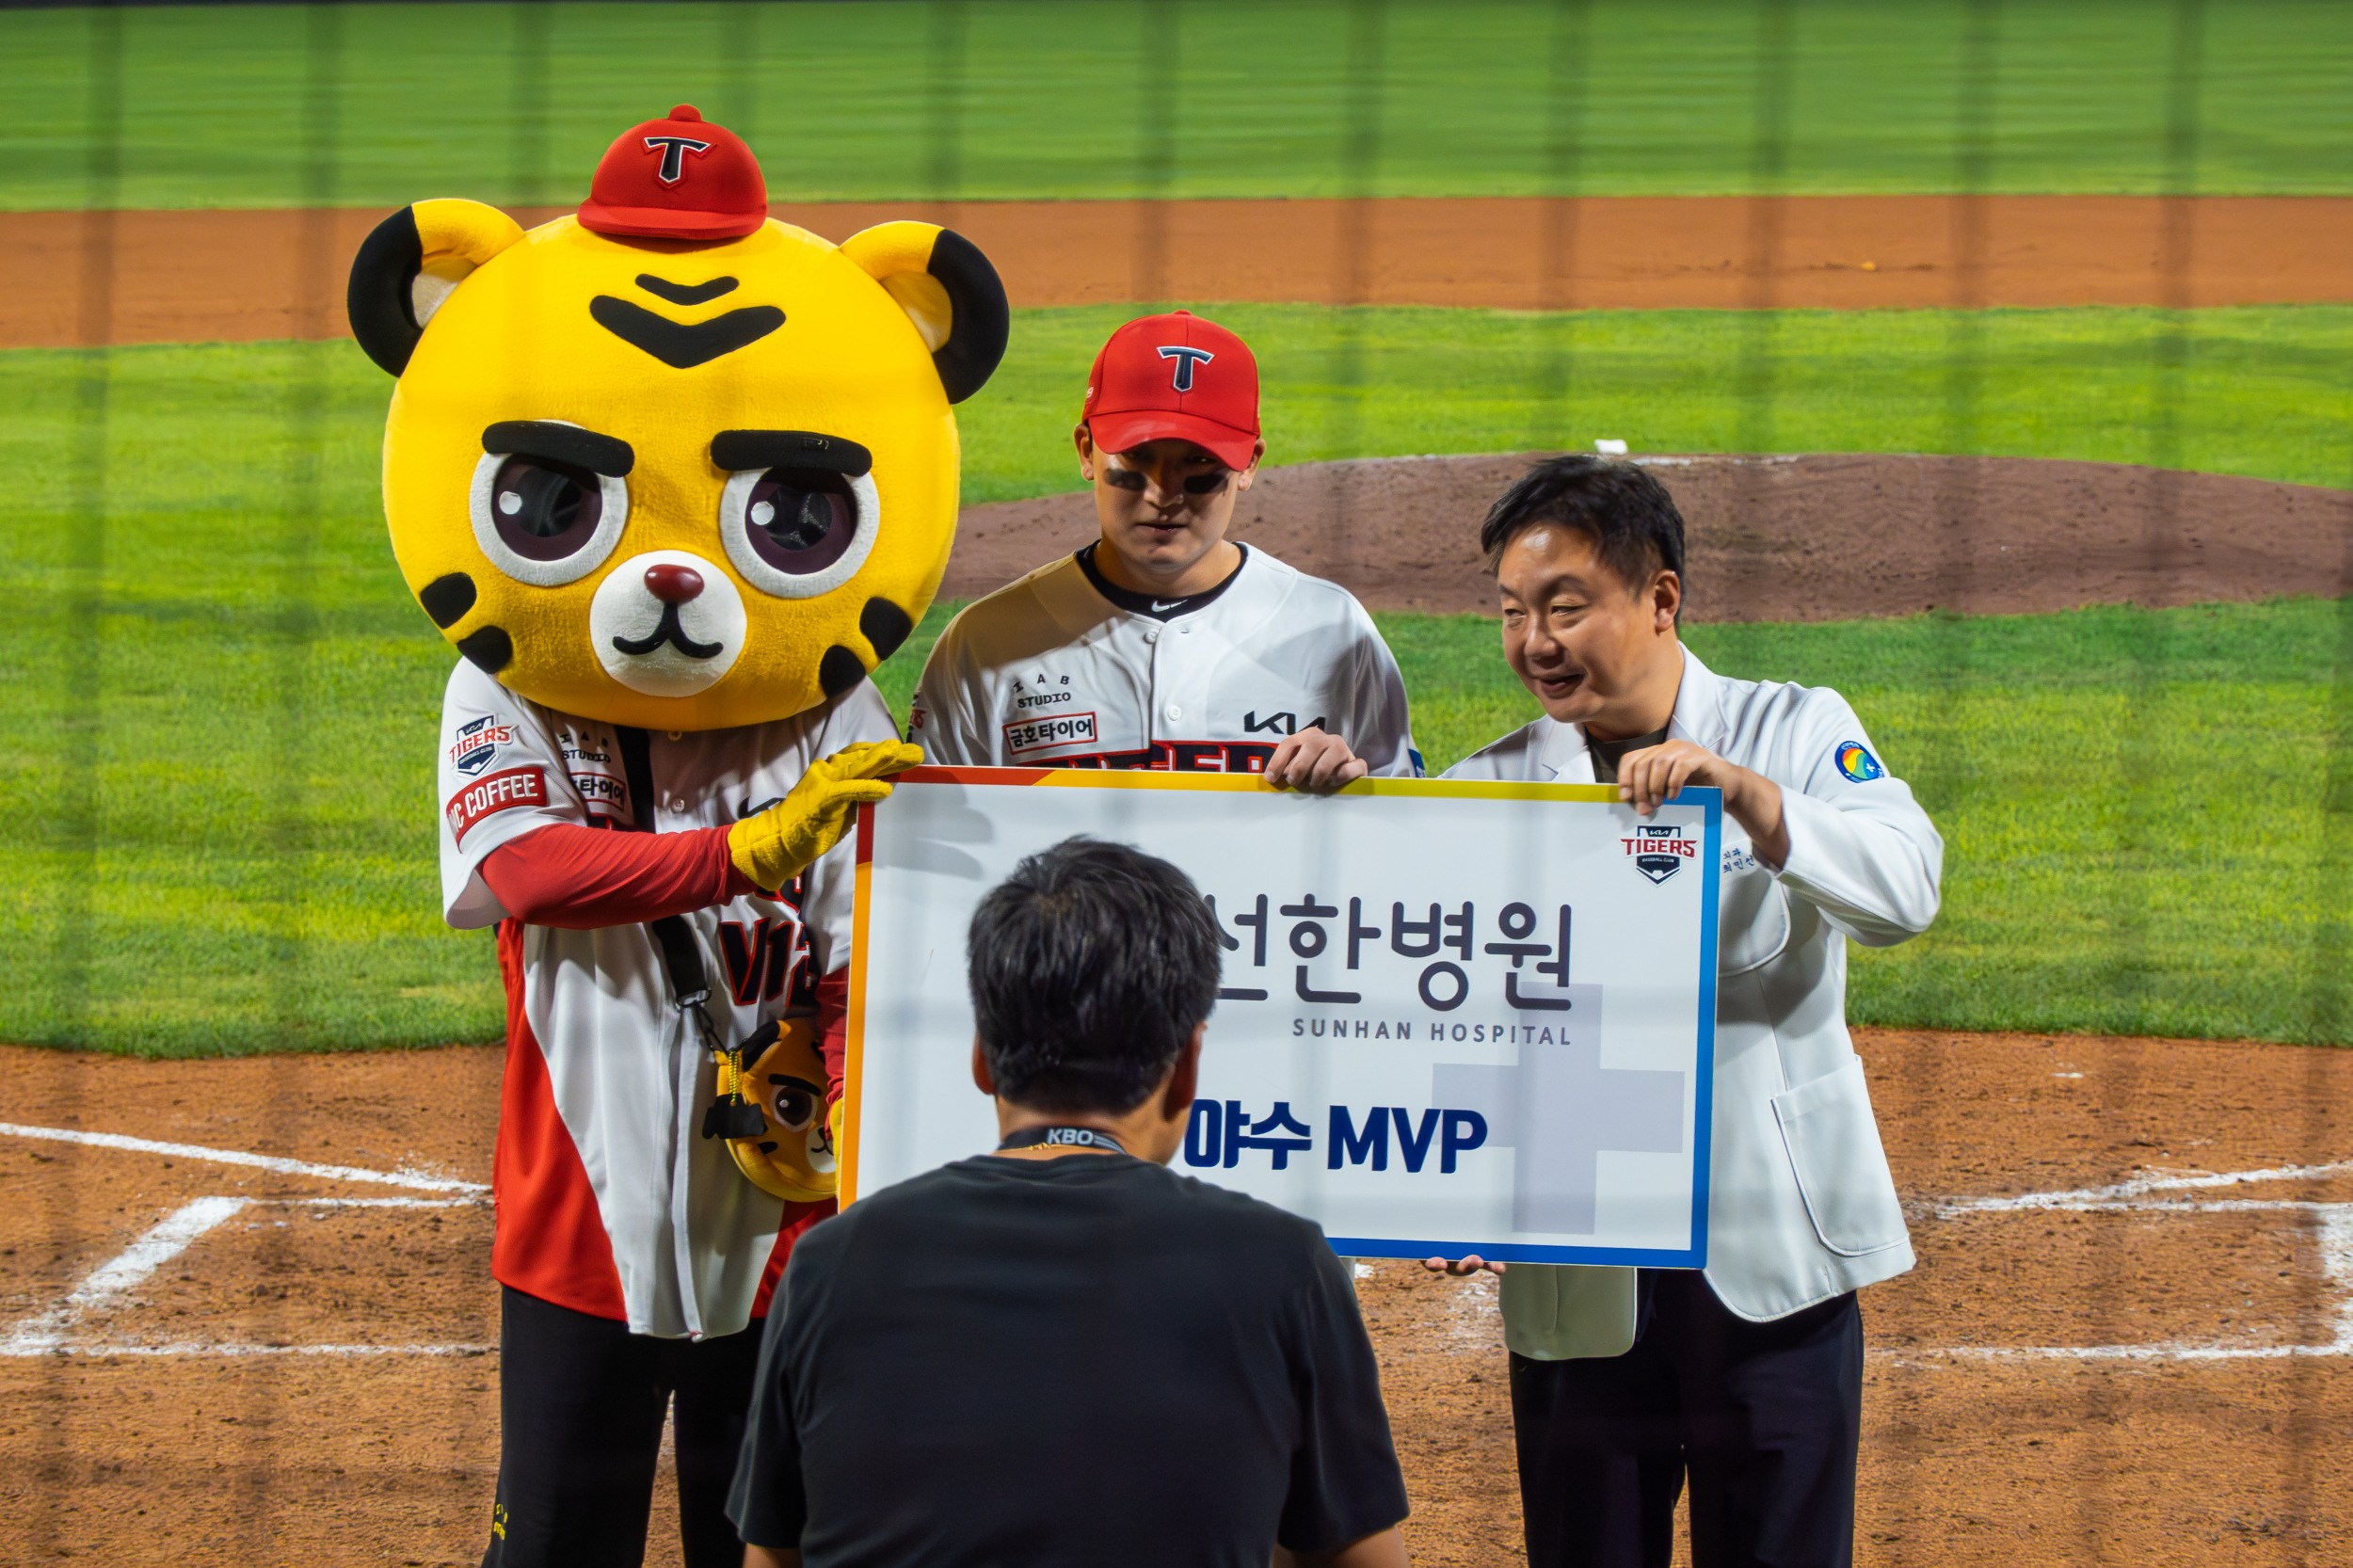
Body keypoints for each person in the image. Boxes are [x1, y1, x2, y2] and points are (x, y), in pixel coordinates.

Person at [1433, 456, 1943, 1568]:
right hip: (1578, 1270)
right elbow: (1442, 1016)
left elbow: (1907, 891)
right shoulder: (1489, 788)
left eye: (1565, 607)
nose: (1534, 643)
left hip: (1771, 1258)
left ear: (1661, 597)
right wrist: (1450, 1184)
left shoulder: (1792, 728)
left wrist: (1756, 802)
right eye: (1512, 613)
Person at [727, 838, 1413, 1568]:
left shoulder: (833, 1263)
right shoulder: (1285, 1268)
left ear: (982, 1058)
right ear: (1188, 1065)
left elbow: (773, 1558)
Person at [909, 310, 1419, 787]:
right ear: (1087, 451)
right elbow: (929, 830)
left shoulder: (1330, 628)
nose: (1163, 493)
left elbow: (1405, 826)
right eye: (1137, 456)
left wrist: (1354, 790)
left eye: (1198, 461)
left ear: (1248, 464)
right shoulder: (985, 641)